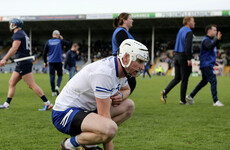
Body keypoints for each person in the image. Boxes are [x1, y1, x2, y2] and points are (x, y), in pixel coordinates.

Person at [52, 39, 149, 150]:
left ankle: (89, 142)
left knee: (129, 106)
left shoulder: (120, 68)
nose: (142, 67)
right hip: (64, 113)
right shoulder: (105, 73)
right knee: (110, 129)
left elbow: (127, 89)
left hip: (86, 110)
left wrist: (121, 96)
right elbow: (105, 120)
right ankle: (69, 144)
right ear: (126, 57)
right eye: (140, 61)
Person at [0, 18, 53, 111]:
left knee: (31, 84)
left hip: (23, 62)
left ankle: (47, 103)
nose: (10, 26)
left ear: (14, 25)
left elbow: (14, 48)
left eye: (11, 24)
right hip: (22, 61)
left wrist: (4, 59)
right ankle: (6, 104)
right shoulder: (22, 33)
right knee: (12, 82)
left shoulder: (17, 34)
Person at [186, 24, 224, 106]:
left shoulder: (210, 40)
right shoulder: (206, 40)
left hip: (207, 64)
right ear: (209, 31)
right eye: (214, 30)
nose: (216, 31)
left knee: (204, 82)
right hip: (206, 65)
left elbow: (209, 52)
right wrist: (217, 39)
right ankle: (215, 101)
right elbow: (209, 47)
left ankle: (190, 96)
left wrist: (214, 61)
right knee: (213, 81)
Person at [160, 17, 195, 104]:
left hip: (176, 56)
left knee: (177, 78)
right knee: (184, 79)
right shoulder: (189, 32)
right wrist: (189, 58)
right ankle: (182, 100)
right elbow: (187, 46)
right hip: (183, 57)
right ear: (188, 22)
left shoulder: (181, 30)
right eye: (193, 21)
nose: (194, 23)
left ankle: (165, 91)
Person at [112, 12, 136, 95]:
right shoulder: (121, 32)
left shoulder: (123, 32)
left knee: (129, 84)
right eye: (130, 18)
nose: (132, 20)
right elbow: (123, 50)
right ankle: (114, 105)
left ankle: (116, 104)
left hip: (122, 61)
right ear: (124, 20)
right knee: (130, 84)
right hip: (122, 62)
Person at [43, 30, 71, 96]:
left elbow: (44, 53)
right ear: (58, 35)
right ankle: (57, 86)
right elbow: (69, 44)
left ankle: (53, 92)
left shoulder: (48, 42)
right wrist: (62, 39)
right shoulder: (60, 41)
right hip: (58, 61)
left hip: (51, 61)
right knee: (60, 75)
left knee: (52, 76)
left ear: (52, 35)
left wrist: (45, 62)